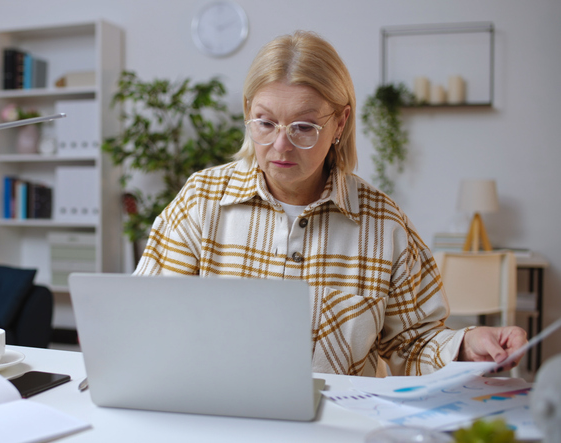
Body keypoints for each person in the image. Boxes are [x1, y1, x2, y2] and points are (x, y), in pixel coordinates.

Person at [134, 30, 527, 377]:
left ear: (340, 123)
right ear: (247, 112)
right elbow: (145, 317)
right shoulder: (201, 200)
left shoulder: (384, 224)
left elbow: (413, 344)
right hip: (221, 419)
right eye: (265, 123)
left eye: (304, 127)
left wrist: (465, 343)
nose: (280, 145)